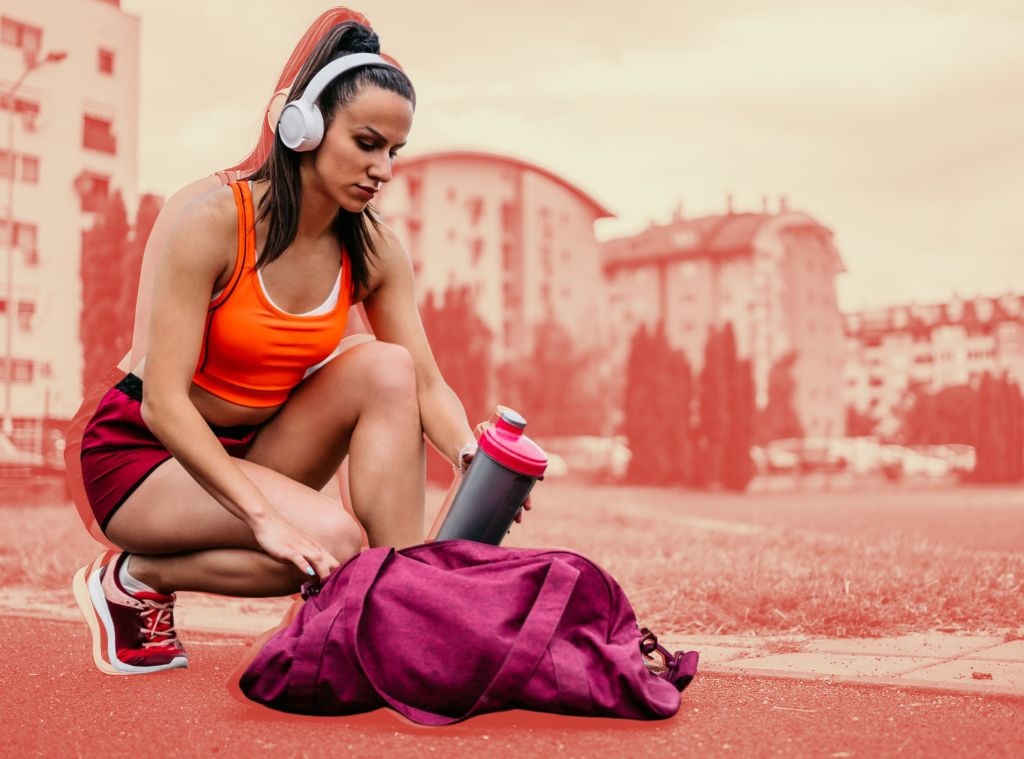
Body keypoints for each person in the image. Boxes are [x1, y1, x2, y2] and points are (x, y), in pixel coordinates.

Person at [72, 16, 525, 677]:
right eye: (367, 143)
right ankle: (132, 573)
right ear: (302, 128)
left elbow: (425, 383)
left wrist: (474, 460)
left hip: (251, 447)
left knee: (386, 365)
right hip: (147, 454)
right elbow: (163, 404)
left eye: (394, 151)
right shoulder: (213, 223)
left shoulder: (372, 249)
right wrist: (266, 518)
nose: (384, 170)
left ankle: (395, 620)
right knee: (332, 542)